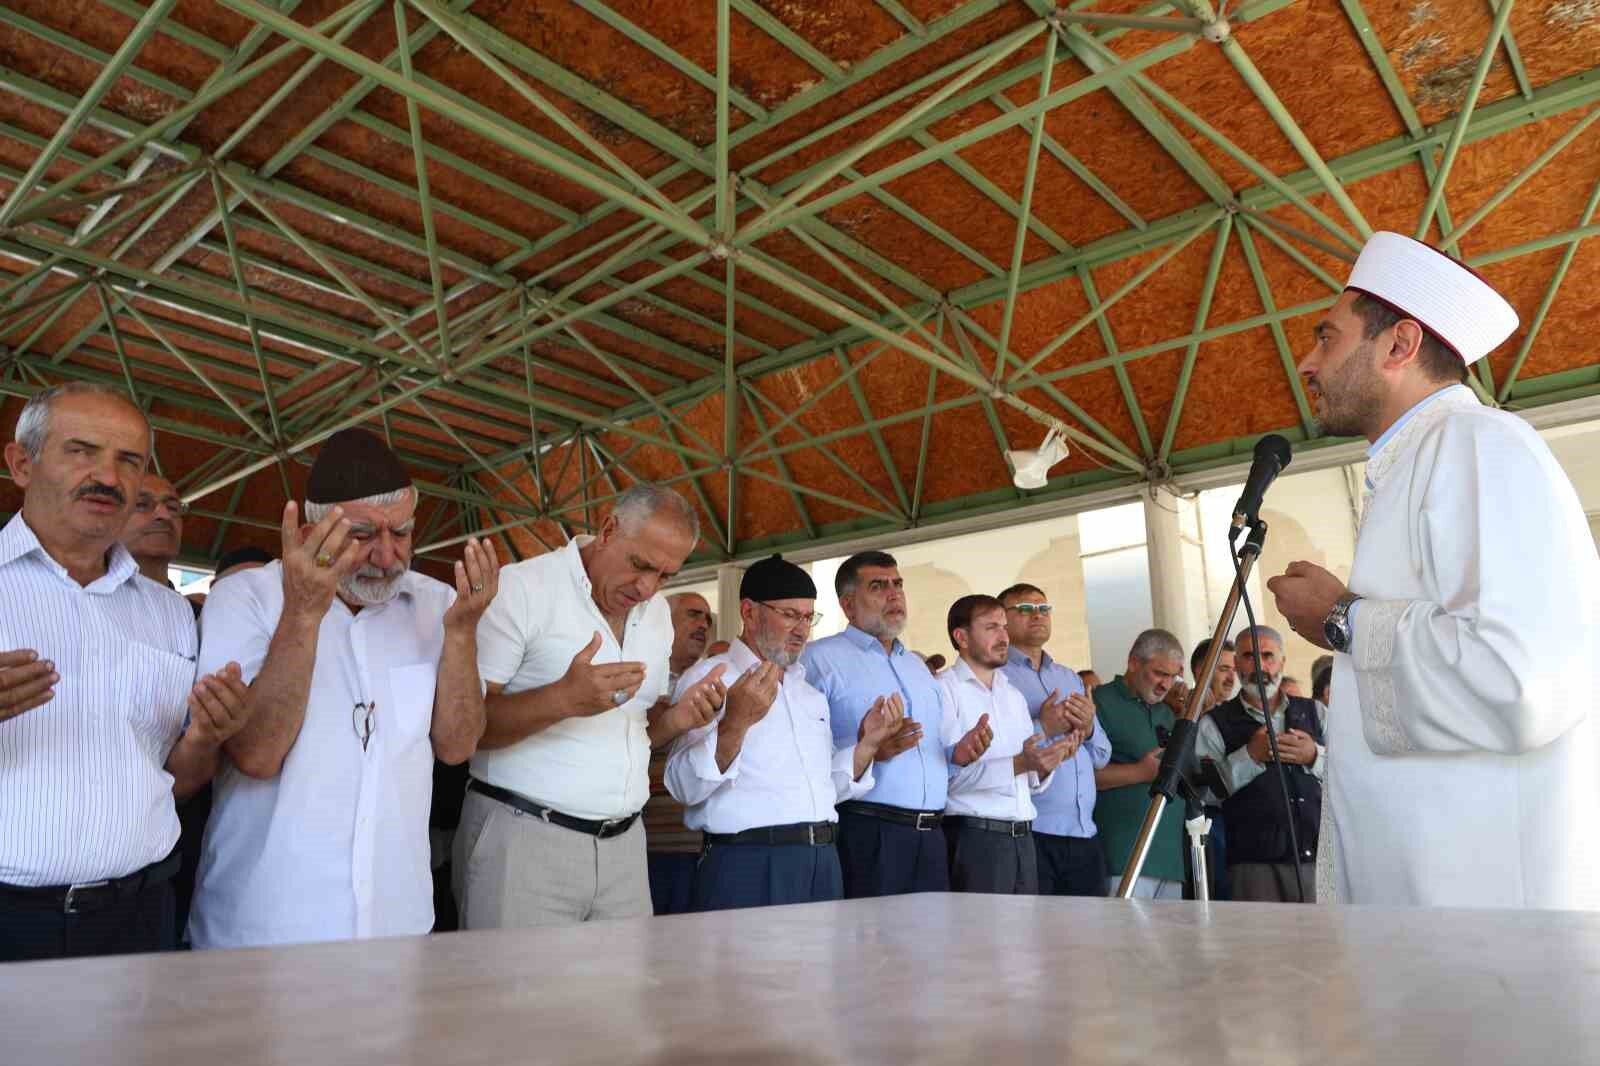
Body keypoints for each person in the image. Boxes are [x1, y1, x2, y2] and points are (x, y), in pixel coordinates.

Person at [1267, 231, 1600, 909]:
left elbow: (1520, 679)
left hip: (1482, 911)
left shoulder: (1480, 444)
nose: (1305, 361)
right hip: (1431, 908)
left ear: (1399, 344)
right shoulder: (1418, 460)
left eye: (1327, 338)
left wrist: (1342, 619)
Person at [189, 427, 498, 948]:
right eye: (362, 535)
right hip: (267, 924)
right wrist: (305, 609)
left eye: (401, 533)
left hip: (396, 920)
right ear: (310, 533)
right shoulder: (248, 598)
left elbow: (458, 745)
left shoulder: (438, 603)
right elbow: (257, 754)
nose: (387, 556)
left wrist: (463, 634)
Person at [0, 383, 247, 961]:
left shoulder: (168, 614)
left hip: (140, 914)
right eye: (82, 451)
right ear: (21, 464)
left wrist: (207, 738)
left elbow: (176, 778)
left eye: (128, 462)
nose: (107, 477)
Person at [460, 485, 727, 928]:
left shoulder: (658, 614)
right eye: (640, 565)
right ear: (607, 530)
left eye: (665, 576)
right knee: (514, 996)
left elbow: (638, 729)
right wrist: (560, 699)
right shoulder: (521, 589)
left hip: (625, 845)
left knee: (620, 997)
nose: (646, 588)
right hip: (525, 839)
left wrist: (678, 719)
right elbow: (464, 731)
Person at [667, 556, 901, 910]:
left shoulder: (808, 693)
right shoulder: (712, 678)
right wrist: (736, 724)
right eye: (790, 614)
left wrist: (867, 744)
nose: (802, 629)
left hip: (822, 862)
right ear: (749, 612)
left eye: (808, 617)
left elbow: (823, 788)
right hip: (749, 862)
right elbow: (683, 786)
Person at [802, 551, 951, 898]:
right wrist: (868, 752)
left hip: (933, 834)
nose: (894, 593)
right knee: (873, 949)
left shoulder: (917, 666)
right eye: (879, 586)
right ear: (848, 604)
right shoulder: (818, 660)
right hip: (868, 830)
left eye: (897, 584)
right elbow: (801, 754)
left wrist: (965, 751)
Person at [939, 595, 1073, 894]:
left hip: (1024, 838)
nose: (1003, 636)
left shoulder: (1011, 694)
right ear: (961, 637)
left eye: (1004, 627)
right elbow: (945, 780)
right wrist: (1021, 763)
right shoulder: (943, 690)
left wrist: (1046, 764)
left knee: (1024, 939)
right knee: (979, 939)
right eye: (991, 628)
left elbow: (1029, 781)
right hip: (976, 839)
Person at [998, 582, 1110, 897]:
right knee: (1041, 939)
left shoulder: (1069, 678)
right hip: (1033, 831)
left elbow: (1101, 755)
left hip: (1085, 831)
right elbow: (995, 753)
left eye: (1044, 609)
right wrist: (1043, 726)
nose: (1038, 616)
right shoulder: (998, 677)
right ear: (1002, 620)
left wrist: (1087, 728)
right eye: (1025, 609)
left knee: (1091, 936)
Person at [1195, 626, 1322, 902]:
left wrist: (1313, 756)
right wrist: (1249, 756)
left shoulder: (1316, 712)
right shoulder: (1214, 724)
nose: (1260, 666)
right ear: (1236, 662)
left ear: (1282, 661)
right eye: (1249, 656)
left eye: (1267, 656)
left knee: (1324, 942)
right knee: (1261, 944)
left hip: (1319, 861)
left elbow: (1350, 774)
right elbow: (1204, 794)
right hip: (1252, 867)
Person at [1093, 629, 1188, 899]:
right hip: (1121, 857)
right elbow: (1079, 777)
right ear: (1134, 663)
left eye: (1172, 676)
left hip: (1170, 861)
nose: (1165, 685)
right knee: (1124, 941)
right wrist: (1139, 772)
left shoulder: (1169, 712)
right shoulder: (1100, 702)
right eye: (1159, 673)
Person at [645, 591, 715, 914]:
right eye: (693, 615)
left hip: (701, 845)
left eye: (708, 619)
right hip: (643, 843)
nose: (703, 624)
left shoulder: (715, 684)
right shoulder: (637, 679)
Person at [120, 471, 186, 588]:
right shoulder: (82, 601)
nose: (165, 515)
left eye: (172, 507)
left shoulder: (191, 607)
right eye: (141, 504)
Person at [1190, 637, 1236, 716]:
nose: (1231, 678)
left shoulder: (1236, 713)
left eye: (1235, 670)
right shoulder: (1180, 709)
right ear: (1201, 672)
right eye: (1224, 669)